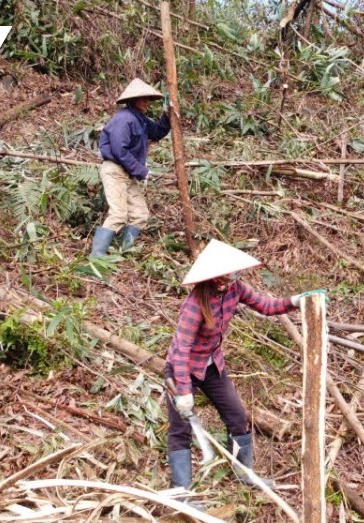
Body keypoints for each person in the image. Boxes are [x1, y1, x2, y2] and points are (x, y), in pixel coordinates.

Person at [163, 239, 312, 496]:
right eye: (230, 273)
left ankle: (244, 474)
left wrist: (295, 300)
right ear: (216, 276)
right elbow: (181, 350)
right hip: (181, 370)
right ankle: (181, 491)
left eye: (235, 272)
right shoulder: (195, 304)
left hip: (211, 366)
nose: (234, 276)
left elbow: (266, 306)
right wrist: (184, 391)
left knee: (237, 415)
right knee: (181, 429)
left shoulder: (236, 289)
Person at [90, 79, 172, 257]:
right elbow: (119, 150)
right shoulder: (124, 118)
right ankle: (96, 259)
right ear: (132, 100)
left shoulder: (140, 119)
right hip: (115, 170)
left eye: (147, 99)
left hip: (128, 172)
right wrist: (142, 171)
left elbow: (157, 131)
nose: (146, 102)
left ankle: (123, 253)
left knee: (140, 214)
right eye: (142, 99)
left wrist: (167, 114)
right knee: (119, 214)